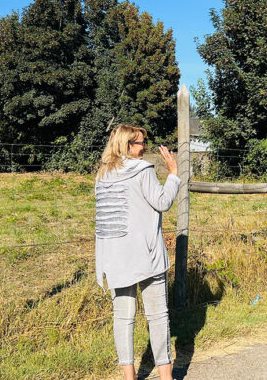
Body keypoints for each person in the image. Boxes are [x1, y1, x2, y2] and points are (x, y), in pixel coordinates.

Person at [95, 124, 181, 380]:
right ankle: (167, 378)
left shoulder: (102, 176)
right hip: (147, 254)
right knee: (158, 317)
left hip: (115, 257)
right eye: (140, 142)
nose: (145, 147)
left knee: (123, 319)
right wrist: (174, 174)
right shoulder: (142, 171)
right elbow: (163, 202)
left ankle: (129, 378)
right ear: (127, 145)